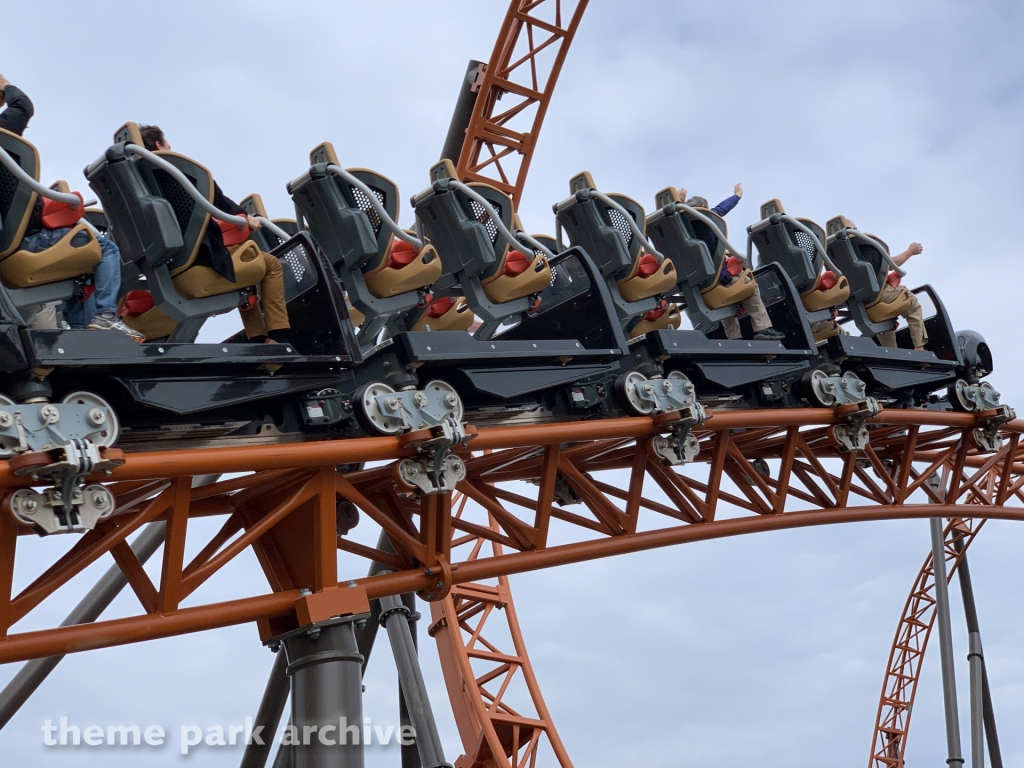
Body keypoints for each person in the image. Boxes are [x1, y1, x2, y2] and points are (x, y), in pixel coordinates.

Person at [0, 77, 142, 340]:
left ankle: (80, 332)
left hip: (15, 242)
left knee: (82, 258)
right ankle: (107, 316)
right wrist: (4, 83)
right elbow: (22, 106)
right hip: (23, 244)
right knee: (105, 248)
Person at [138, 125, 290, 344]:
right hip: (197, 268)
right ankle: (278, 338)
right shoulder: (177, 173)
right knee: (270, 265)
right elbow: (216, 199)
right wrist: (246, 218)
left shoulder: (138, 189)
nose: (171, 147)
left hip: (165, 272)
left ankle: (257, 340)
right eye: (168, 143)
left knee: (244, 267)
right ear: (160, 145)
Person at [680, 183, 785, 342]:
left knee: (725, 301)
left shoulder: (681, 232)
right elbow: (722, 208)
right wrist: (737, 195)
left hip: (698, 288)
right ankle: (763, 328)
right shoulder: (706, 221)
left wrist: (679, 204)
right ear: (703, 208)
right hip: (718, 280)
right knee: (750, 286)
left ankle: (734, 339)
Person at [846, 220, 926, 350]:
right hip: (878, 296)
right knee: (912, 302)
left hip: (858, 305)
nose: (857, 231)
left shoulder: (833, 252)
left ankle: (892, 354)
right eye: (855, 228)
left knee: (884, 320)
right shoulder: (861, 245)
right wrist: (910, 251)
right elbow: (889, 264)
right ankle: (919, 347)